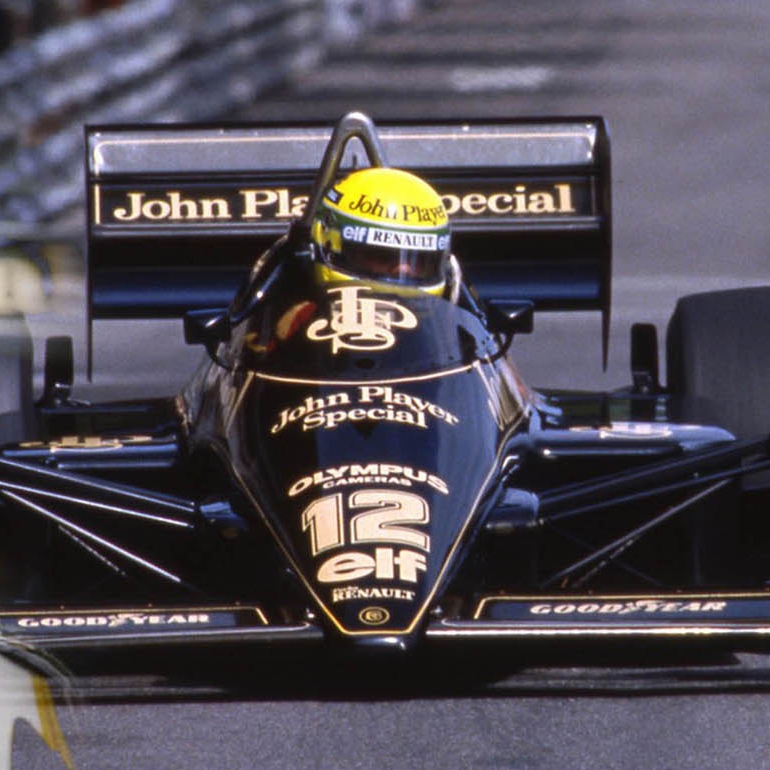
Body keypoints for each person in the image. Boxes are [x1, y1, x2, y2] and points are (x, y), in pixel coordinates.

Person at [310, 166, 460, 300]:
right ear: (329, 248)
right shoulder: (300, 318)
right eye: (383, 257)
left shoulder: (452, 320)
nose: (404, 270)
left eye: (420, 261)